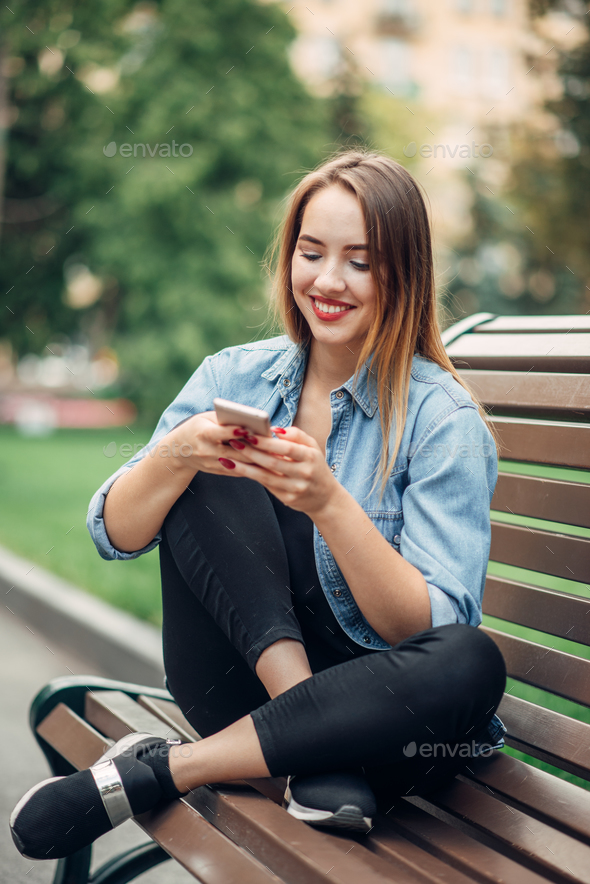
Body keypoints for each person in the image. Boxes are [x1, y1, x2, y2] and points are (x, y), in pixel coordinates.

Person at [11, 148, 506, 861]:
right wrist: (180, 451)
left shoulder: (441, 420)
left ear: (404, 272)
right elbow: (112, 532)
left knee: (472, 660)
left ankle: (165, 769)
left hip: (386, 722)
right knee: (199, 467)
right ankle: (309, 751)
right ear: (289, 259)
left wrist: (332, 503)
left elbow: (426, 631)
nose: (328, 281)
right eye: (312, 253)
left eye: (360, 262)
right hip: (240, 683)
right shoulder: (234, 374)